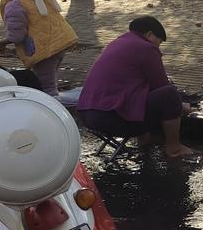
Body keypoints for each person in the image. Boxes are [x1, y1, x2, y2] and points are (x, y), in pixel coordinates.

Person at [77, 16, 194, 159]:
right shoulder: (146, 47)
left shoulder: (116, 43)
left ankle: (145, 138)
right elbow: (161, 85)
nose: (158, 47)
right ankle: (174, 148)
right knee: (169, 95)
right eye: (159, 42)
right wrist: (181, 105)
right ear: (149, 35)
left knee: (139, 89)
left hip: (86, 116)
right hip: (112, 120)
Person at [0, 0, 78, 96]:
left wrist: (3, 42)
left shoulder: (14, 3)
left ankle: (54, 111)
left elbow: (17, 34)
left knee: (46, 90)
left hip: (43, 49)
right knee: (49, 82)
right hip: (59, 43)